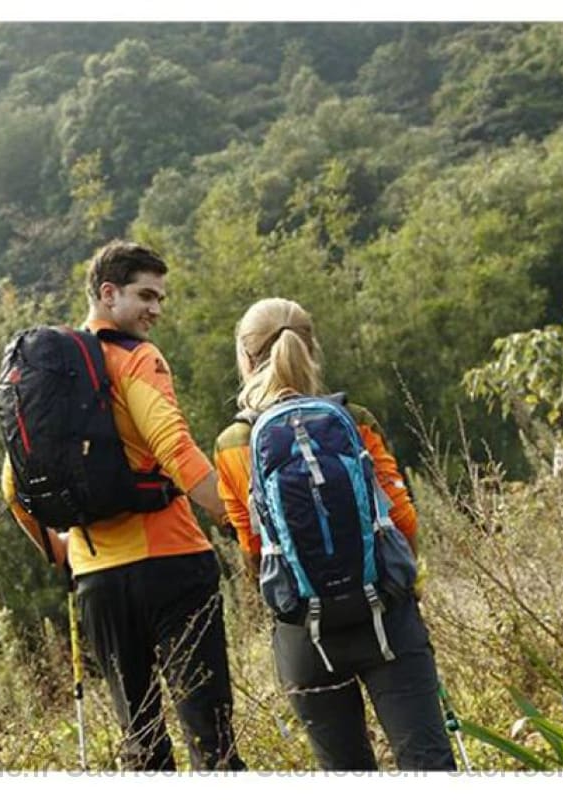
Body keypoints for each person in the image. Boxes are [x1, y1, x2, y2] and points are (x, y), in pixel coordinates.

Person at [2, 240, 245, 772]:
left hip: (97, 581)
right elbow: (176, 449)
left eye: (160, 297)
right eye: (146, 296)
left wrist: (60, 550)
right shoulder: (137, 358)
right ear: (107, 293)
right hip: (173, 566)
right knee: (212, 736)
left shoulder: (47, 378)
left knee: (142, 741)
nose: (156, 309)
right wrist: (241, 521)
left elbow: (14, 488)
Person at [213, 297, 456, 772]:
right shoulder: (355, 418)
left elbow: (253, 546)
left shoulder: (233, 444)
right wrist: (405, 585)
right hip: (386, 615)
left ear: (244, 358)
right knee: (427, 763)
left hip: (305, 633)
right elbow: (402, 518)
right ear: (312, 349)